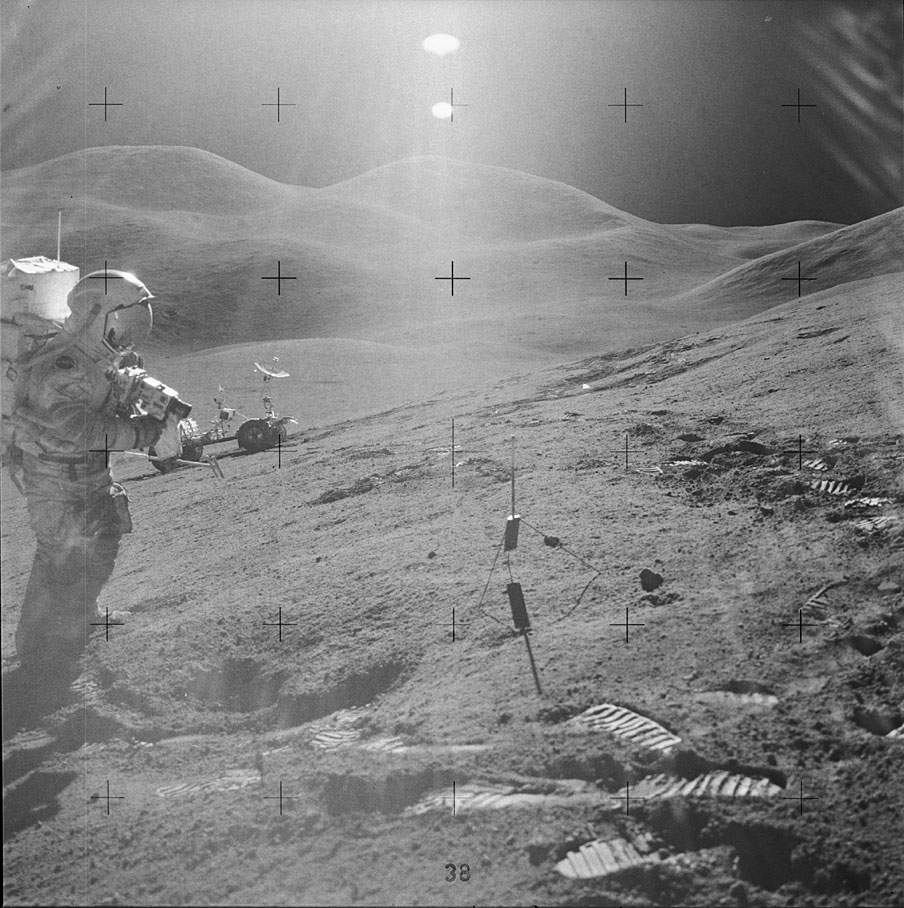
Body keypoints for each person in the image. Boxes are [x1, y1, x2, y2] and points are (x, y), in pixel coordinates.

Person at [2, 269, 181, 735]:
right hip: (57, 483)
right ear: (92, 317)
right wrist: (142, 434)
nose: (128, 338)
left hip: (85, 477)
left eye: (137, 326)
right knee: (62, 558)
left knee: (95, 544)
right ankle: (39, 654)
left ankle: (79, 621)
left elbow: (104, 407)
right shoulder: (63, 369)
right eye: (124, 326)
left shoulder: (95, 362)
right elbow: (82, 429)